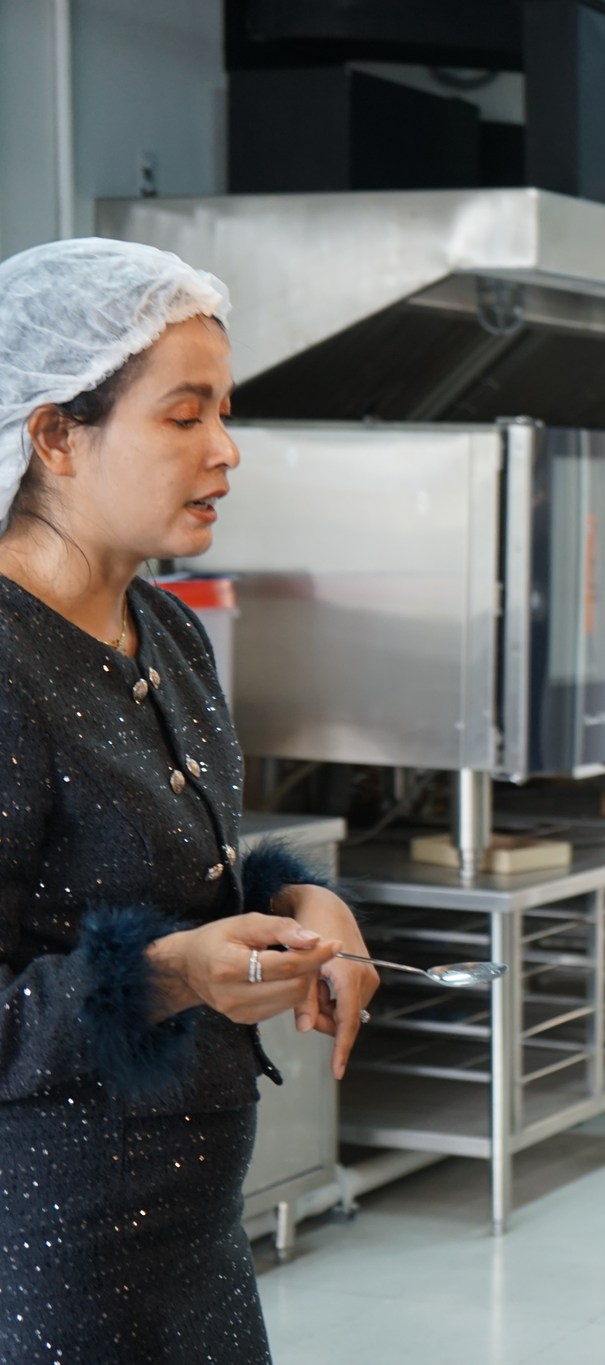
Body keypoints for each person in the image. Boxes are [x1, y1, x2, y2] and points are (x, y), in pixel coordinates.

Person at [0, 238, 379, 1363]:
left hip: (193, 1228)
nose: (226, 449)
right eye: (183, 415)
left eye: (225, 411)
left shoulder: (163, 626)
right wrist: (168, 975)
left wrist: (300, 904)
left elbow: (162, 872)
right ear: (55, 435)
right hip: (46, 1258)